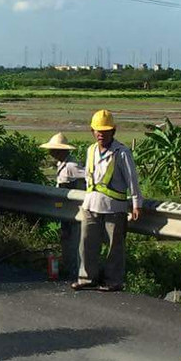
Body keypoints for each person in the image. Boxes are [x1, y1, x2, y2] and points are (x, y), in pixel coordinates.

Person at [72, 109, 142, 292]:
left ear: (113, 131)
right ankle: (86, 278)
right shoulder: (91, 150)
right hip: (91, 204)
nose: (101, 134)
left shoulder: (122, 152)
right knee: (87, 242)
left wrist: (136, 203)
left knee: (114, 246)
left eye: (105, 130)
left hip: (114, 207)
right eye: (98, 130)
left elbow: (132, 179)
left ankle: (113, 280)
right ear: (92, 131)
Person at [39, 132, 86, 276]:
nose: (50, 152)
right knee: (67, 238)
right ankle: (69, 268)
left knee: (74, 241)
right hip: (66, 210)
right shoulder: (62, 164)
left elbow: (88, 176)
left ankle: (75, 271)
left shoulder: (71, 166)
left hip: (74, 210)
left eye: (53, 150)